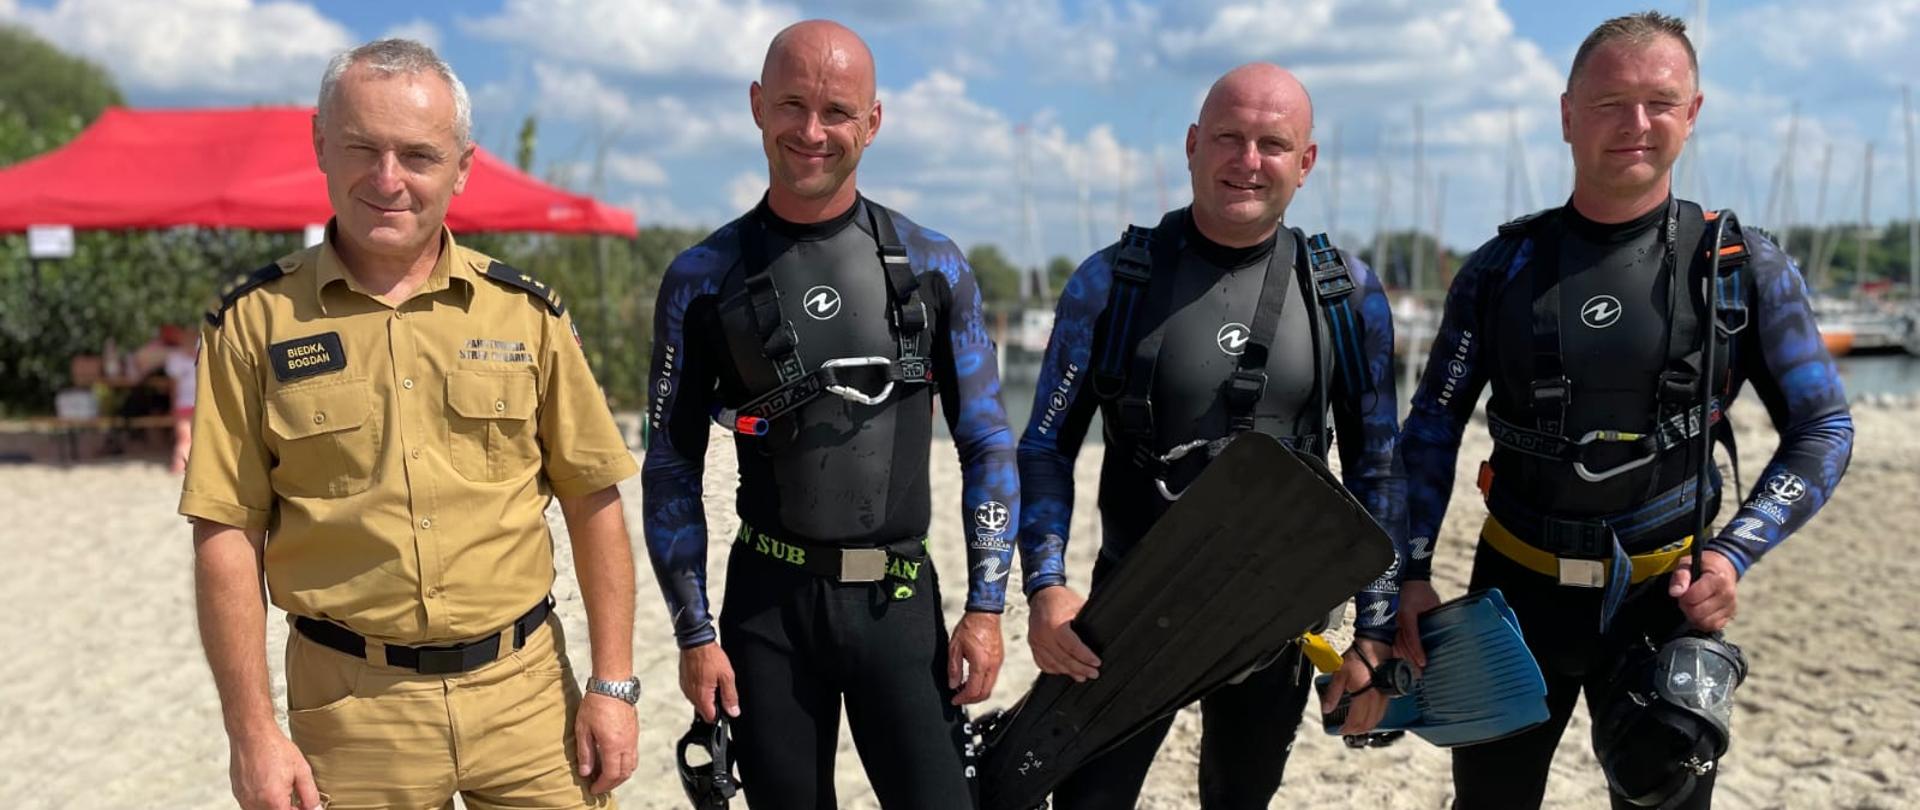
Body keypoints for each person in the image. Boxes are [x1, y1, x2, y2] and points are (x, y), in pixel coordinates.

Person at [1397, 13, 1854, 809]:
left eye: (1660, 102)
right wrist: (1409, 573)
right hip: (1514, 597)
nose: (1636, 123)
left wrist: (1732, 556)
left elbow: (1823, 428)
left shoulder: (1740, 266)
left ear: (1692, 113)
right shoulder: (1499, 270)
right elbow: (1431, 429)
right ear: (1568, 114)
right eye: (1610, 103)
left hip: (1666, 598)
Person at [180, 39, 640, 810]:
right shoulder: (252, 324)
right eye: (363, 148)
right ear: (321, 146)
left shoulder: (526, 315)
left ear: (462, 167)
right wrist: (251, 733)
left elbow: (593, 498)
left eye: (419, 155)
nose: (388, 179)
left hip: (529, 702)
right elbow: (226, 531)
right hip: (351, 714)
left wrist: (613, 684)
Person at [641, 20, 1019, 810]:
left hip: (898, 601)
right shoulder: (702, 278)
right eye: (792, 105)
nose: (812, 132)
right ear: (757, 105)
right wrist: (694, 633)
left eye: (837, 112)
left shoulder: (933, 266)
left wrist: (986, 609)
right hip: (766, 612)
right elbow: (671, 463)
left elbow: (987, 441)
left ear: (872, 123)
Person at [1015, 62, 1408, 810]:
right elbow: (1043, 447)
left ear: (1305, 162)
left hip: (1277, 615)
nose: (1248, 161)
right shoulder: (1112, 282)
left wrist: (1376, 629)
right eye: (1229, 137)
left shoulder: (1344, 295)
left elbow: (1378, 463)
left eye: (1272, 144)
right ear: (1193, 144)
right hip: (1130, 606)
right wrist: (1046, 586)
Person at [162, 323, 196, 473]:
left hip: (200, 403)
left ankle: (188, 466)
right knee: (184, 437)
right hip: (184, 404)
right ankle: (180, 465)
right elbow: (173, 386)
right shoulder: (176, 358)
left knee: (197, 437)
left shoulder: (203, 354)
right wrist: (173, 404)